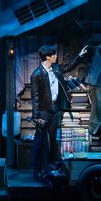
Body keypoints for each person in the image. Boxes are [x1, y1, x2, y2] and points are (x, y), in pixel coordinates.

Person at [30, 43, 88, 182]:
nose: (56, 56)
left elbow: (68, 67)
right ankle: (37, 170)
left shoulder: (56, 69)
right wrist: (36, 117)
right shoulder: (37, 74)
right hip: (43, 112)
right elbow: (35, 97)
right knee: (39, 141)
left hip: (54, 109)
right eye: (54, 54)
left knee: (53, 140)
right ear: (47, 57)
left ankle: (51, 167)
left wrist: (79, 56)